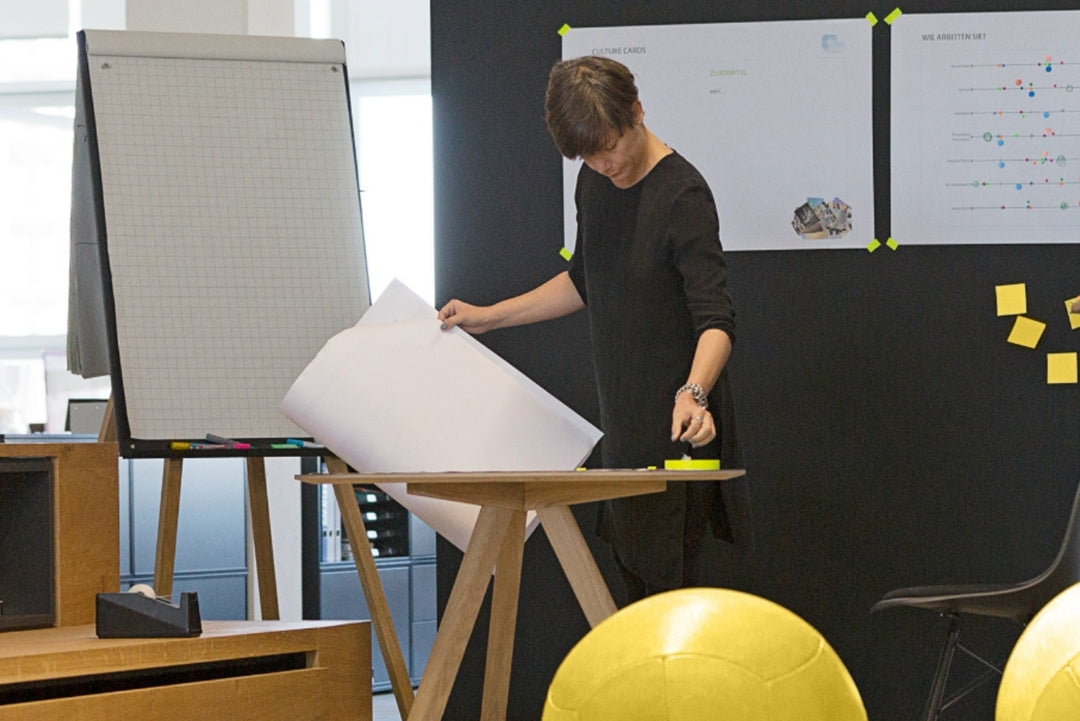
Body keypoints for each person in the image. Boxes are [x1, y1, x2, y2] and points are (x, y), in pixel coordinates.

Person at [437, 55, 750, 603]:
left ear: (637, 111)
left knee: (673, 600)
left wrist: (694, 392)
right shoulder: (594, 183)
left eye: (609, 147)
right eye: (587, 156)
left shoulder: (683, 195)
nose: (604, 164)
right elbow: (585, 280)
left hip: (681, 427)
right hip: (623, 427)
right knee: (633, 588)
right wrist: (489, 316)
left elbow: (716, 320)